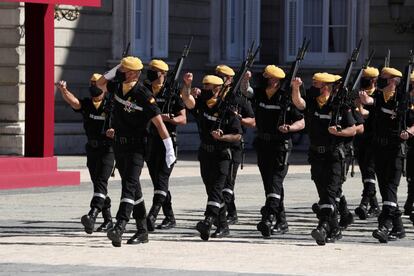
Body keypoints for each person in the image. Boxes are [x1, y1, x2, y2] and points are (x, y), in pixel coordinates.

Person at [96, 56, 176, 247]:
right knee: (134, 190)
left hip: (137, 147)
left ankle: (120, 225)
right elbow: (100, 84)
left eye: (123, 69)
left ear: (132, 72)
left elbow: (159, 123)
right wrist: (115, 67)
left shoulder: (143, 93)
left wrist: (169, 149)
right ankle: (142, 231)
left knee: (129, 186)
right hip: (119, 145)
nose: (120, 72)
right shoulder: (117, 86)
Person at [291, 72, 356, 246]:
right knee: (323, 194)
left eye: (316, 83)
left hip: (334, 155)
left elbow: (353, 129)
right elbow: (299, 103)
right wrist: (296, 88)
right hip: (316, 155)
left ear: (325, 87)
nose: (312, 86)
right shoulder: (313, 101)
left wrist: (339, 132)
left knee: (329, 193)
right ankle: (334, 229)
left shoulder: (340, 105)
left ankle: (323, 227)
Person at [181, 73, 242, 240]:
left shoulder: (227, 108)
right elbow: (187, 100)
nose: (204, 89)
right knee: (211, 191)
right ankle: (222, 225)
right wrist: (187, 84)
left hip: (222, 155)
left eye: (207, 86)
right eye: (204, 85)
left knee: (216, 189)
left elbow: (237, 135)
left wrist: (222, 137)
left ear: (217, 89)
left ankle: (208, 221)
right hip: (205, 153)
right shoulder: (201, 103)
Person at [359, 67, 414, 243]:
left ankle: (385, 225)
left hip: (395, 150)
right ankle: (398, 228)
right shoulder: (378, 97)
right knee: (384, 189)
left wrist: (409, 131)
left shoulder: (404, 99)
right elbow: (369, 104)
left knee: (390, 186)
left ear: (393, 81)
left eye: (384, 78)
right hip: (378, 149)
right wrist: (362, 99)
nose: (380, 80)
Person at [56, 73, 114, 234]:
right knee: (98, 185)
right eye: (91, 83)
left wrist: (114, 131)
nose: (94, 86)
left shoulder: (112, 105)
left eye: (97, 83)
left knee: (101, 182)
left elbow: (123, 123)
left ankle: (92, 215)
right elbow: (74, 102)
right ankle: (108, 220)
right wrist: (64, 90)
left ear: (104, 86)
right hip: (92, 149)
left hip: (107, 150)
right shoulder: (88, 104)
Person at [253, 65, 305, 238]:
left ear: (274, 79)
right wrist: (244, 80)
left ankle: (268, 217)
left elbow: (301, 121)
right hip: (262, 145)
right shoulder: (260, 93)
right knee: (270, 184)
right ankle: (282, 222)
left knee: (275, 180)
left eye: (267, 76)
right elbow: (246, 92)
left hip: (280, 145)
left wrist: (290, 128)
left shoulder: (286, 97)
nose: (264, 78)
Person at [143, 59, 186, 234]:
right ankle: (170, 217)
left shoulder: (173, 93)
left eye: (155, 70)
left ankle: (152, 216)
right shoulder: (145, 91)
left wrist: (169, 119)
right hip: (151, 141)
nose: (151, 72)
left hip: (168, 142)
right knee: (158, 181)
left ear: (163, 74)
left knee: (162, 179)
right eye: (150, 69)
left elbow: (183, 119)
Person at [215, 64, 255, 224]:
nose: (218, 78)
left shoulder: (239, 98)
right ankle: (230, 213)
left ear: (230, 79)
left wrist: (238, 118)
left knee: (228, 182)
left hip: (234, 145)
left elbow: (252, 121)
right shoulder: (215, 96)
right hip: (218, 144)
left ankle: (222, 215)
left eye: (222, 76)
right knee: (219, 181)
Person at [353, 67, 381, 220]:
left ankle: (364, 203)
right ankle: (375, 205)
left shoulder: (378, 95)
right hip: (360, 139)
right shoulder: (357, 94)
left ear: (374, 80)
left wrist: (364, 108)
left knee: (370, 170)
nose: (365, 81)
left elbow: (374, 113)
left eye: (368, 79)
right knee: (365, 171)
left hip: (374, 138)